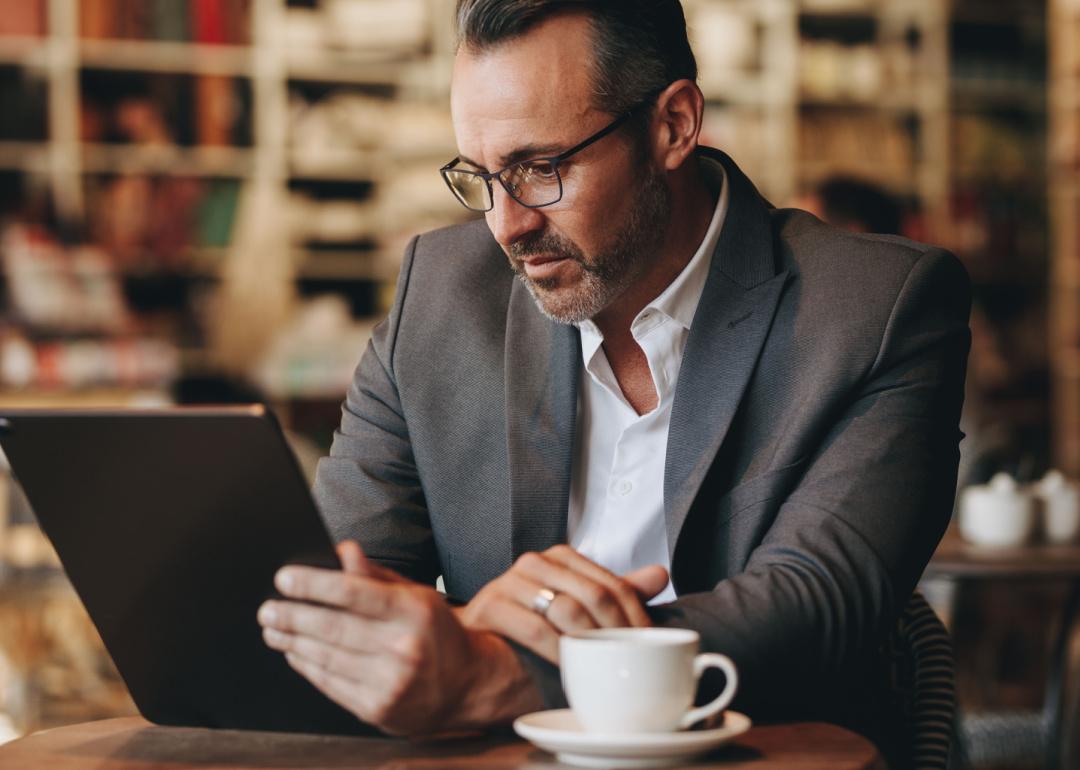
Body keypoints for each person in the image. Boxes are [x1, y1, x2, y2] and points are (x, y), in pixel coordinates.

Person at [256, 1, 971, 763]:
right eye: (482, 176)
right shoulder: (439, 296)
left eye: (540, 169)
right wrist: (467, 632)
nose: (506, 225)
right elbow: (322, 598)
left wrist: (498, 667)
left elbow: (816, 607)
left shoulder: (878, 309)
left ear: (673, 125)